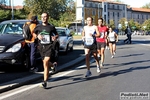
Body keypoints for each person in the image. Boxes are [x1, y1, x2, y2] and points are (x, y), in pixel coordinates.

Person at [33, 12, 59, 88]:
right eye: (42, 17)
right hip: (41, 47)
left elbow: (57, 34)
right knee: (45, 63)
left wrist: (55, 37)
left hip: (49, 46)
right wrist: (37, 36)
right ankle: (53, 66)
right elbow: (33, 33)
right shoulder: (38, 27)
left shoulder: (51, 27)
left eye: (45, 17)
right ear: (41, 18)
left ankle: (45, 81)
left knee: (46, 62)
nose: (44, 18)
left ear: (48, 17)